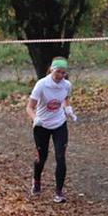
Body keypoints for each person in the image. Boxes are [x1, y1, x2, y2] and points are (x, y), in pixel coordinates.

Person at [27, 57, 76, 203]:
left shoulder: (67, 85)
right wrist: (35, 118)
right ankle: (36, 180)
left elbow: (65, 98)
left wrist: (68, 108)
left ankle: (59, 192)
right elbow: (29, 107)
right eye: (58, 72)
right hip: (42, 125)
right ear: (51, 70)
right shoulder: (42, 85)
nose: (60, 75)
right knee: (42, 157)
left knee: (60, 156)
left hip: (59, 123)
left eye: (63, 73)